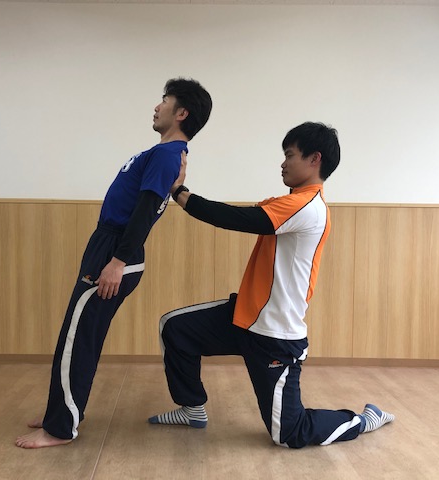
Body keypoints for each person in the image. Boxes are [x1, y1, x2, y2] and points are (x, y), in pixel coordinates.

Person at [148, 122, 394, 448]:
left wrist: (179, 191)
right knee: (175, 329)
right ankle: (192, 408)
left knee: (288, 434)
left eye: (290, 155)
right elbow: (243, 214)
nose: (283, 163)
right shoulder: (290, 203)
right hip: (245, 317)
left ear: (314, 159)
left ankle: (363, 420)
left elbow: (237, 219)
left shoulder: (307, 207)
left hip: (275, 336)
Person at [15, 78, 212, 449]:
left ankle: (60, 427)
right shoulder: (162, 154)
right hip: (107, 245)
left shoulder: (167, 155)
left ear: (181, 113)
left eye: (165, 100)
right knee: (77, 335)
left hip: (116, 252)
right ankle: (63, 410)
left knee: (78, 339)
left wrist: (117, 261)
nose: (157, 106)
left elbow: (144, 213)